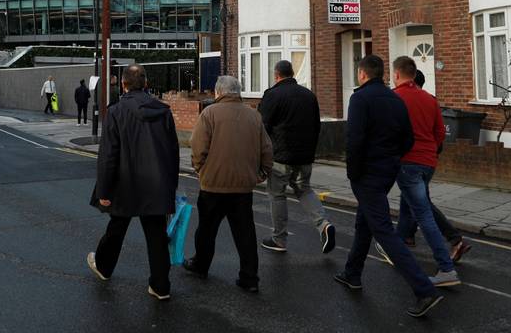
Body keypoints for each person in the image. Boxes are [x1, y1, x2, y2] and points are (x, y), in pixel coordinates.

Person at [333, 54, 442, 318]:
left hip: (367, 173)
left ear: (362, 74)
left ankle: (423, 289)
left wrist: (353, 172)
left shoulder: (359, 99)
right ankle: (352, 273)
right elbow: (407, 138)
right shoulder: (395, 99)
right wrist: (393, 159)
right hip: (388, 171)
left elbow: (354, 139)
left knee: (382, 229)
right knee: (364, 221)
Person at [87, 64, 179, 301]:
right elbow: (173, 152)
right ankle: (161, 287)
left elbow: (108, 155)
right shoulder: (163, 111)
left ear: (124, 84)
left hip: (125, 183)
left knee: (116, 228)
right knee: (156, 234)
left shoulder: (116, 112)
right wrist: (172, 185)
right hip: (157, 183)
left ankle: (104, 267)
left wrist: (104, 191)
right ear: (146, 84)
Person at [183, 76, 273, 293]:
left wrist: (201, 170)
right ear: (238, 92)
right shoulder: (254, 115)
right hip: (242, 187)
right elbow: (267, 150)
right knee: (245, 233)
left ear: (218, 92)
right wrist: (260, 174)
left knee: (206, 230)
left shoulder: (209, 114)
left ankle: (201, 265)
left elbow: (197, 148)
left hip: (213, 185)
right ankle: (249, 278)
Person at [390, 69, 472, 263]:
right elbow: (439, 133)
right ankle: (404, 238)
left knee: (421, 204)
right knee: (410, 199)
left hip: (410, 160)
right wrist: (432, 150)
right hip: (429, 160)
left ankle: (454, 241)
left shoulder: (401, 99)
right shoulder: (431, 100)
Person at [257, 59, 336, 254]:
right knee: (305, 190)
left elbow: (262, 128)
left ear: (276, 75)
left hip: (280, 157)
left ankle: (279, 239)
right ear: (292, 74)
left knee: (277, 195)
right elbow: (317, 126)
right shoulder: (309, 95)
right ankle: (323, 225)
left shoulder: (272, 95)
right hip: (305, 156)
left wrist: (260, 155)